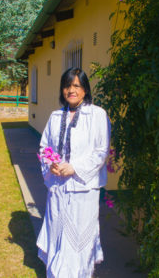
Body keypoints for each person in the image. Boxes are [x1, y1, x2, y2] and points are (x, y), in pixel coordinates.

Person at [37, 67, 111, 277]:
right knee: (58, 236)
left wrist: (74, 167)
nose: (71, 90)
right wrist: (51, 163)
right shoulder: (54, 116)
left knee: (78, 242)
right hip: (58, 189)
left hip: (83, 191)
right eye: (67, 86)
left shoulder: (97, 115)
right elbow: (45, 147)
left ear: (85, 89)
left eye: (76, 86)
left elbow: (100, 151)